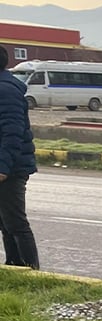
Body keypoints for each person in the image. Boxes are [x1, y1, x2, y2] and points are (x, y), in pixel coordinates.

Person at [0, 45, 40, 269]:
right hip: (6, 165)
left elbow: (12, 133)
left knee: (15, 222)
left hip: (11, 169)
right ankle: (14, 266)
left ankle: (31, 271)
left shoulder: (5, 91)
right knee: (5, 223)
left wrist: (3, 168)